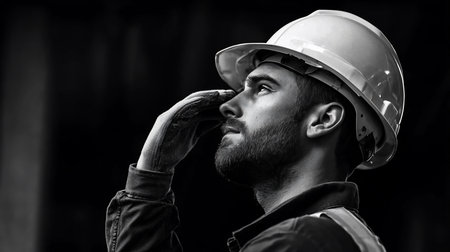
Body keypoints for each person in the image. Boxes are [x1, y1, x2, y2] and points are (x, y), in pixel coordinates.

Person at [105, 9, 405, 252]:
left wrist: (150, 181)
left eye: (262, 88)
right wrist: (151, 177)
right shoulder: (330, 236)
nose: (228, 105)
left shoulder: (298, 242)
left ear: (323, 120)